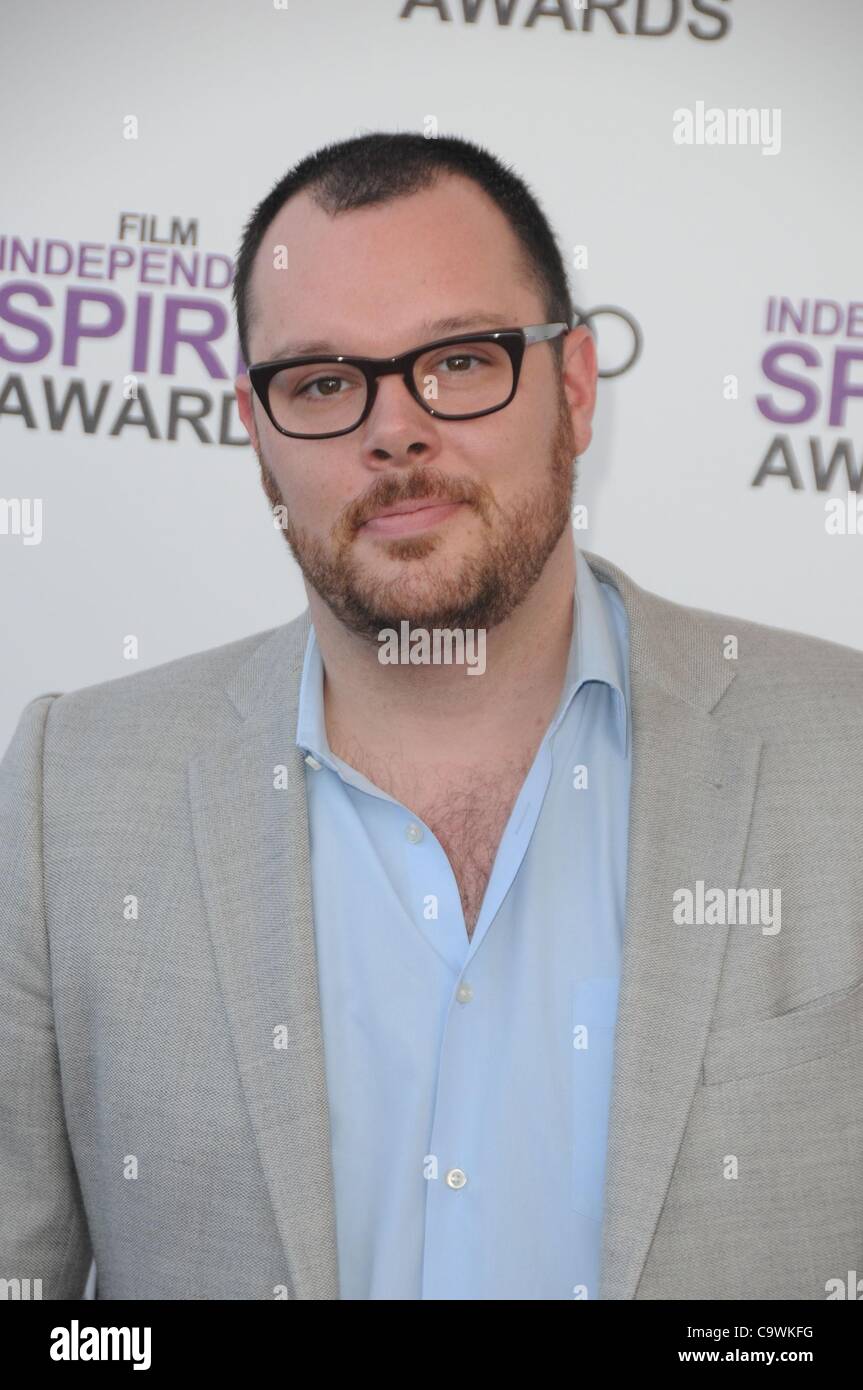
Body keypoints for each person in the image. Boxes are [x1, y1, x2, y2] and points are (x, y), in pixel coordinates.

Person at [1, 132, 861, 1302]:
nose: (394, 430)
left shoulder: (838, 753)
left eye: (459, 361)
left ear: (571, 387)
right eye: (320, 381)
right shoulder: (73, 793)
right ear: (255, 436)